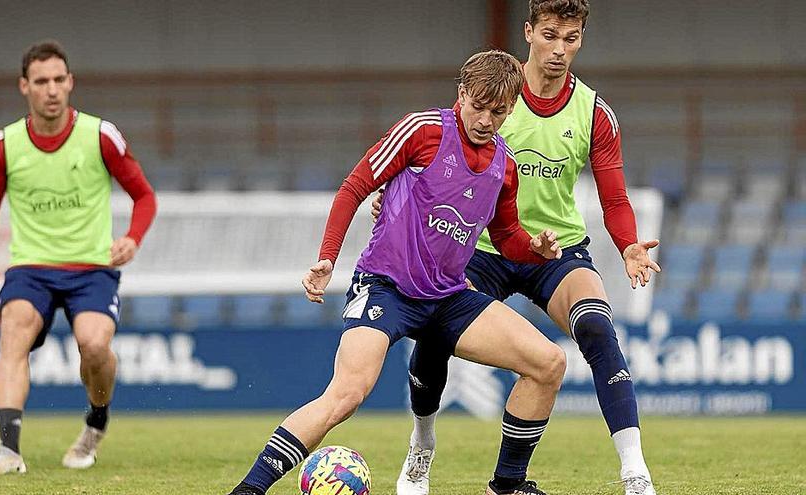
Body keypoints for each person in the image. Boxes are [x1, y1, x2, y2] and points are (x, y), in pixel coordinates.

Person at [225, 50, 566, 495]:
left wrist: (536, 250)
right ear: (461, 93)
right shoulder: (423, 130)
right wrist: (328, 256)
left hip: (448, 297)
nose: (485, 118)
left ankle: (507, 485)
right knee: (346, 394)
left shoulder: (505, 165)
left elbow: (506, 239)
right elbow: (356, 185)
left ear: (512, 107)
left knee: (549, 363)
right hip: (386, 288)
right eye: (478, 105)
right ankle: (248, 490)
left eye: (498, 110)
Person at [388, 2, 662, 495]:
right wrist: (397, 199)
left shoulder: (595, 112)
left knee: (598, 328)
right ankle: (421, 447)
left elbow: (614, 194)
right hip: (483, 246)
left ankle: (634, 472)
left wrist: (628, 247)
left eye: (572, 38)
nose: (560, 49)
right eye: (551, 35)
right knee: (433, 332)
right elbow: (436, 155)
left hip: (554, 250)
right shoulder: (495, 98)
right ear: (529, 32)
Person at [0, 40, 157, 474]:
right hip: (31, 268)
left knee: (94, 344)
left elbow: (144, 196)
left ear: (70, 83)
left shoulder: (101, 135)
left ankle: (95, 424)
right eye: (41, 81)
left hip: (91, 269)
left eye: (58, 80)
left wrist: (132, 238)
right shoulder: (2, 145)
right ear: (24, 86)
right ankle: (9, 451)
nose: (51, 89)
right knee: (13, 332)